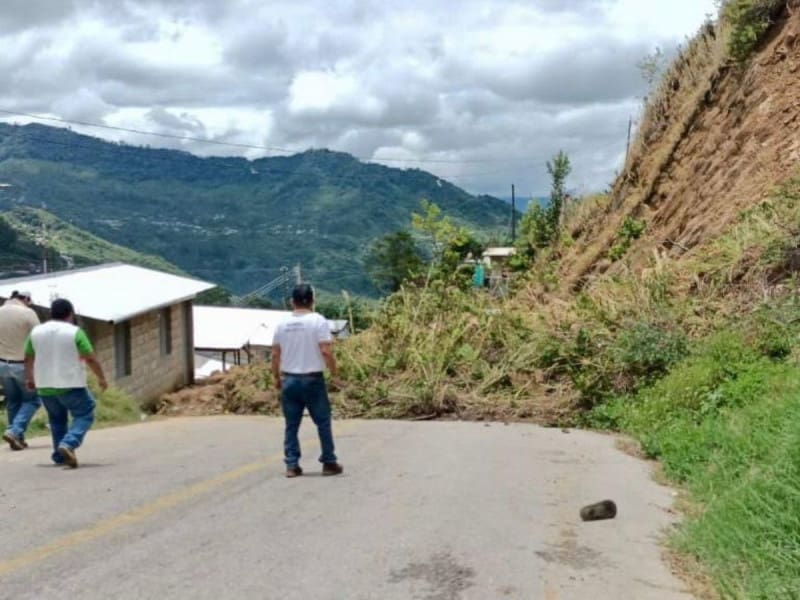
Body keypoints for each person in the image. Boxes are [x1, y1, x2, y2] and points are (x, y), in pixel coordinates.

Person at [24, 298, 108, 468]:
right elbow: (90, 358)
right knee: (86, 412)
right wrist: (101, 378)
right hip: (71, 384)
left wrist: (30, 378)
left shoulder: (36, 332)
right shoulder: (75, 332)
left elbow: (28, 357)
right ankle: (69, 443)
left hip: (45, 385)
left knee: (57, 420)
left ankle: (60, 456)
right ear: (70, 314)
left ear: (51, 313)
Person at [271, 284, 343, 478]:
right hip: (313, 380)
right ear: (312, 300)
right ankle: (329, 462)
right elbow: (326, 351)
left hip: (290, 380)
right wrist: (335, 375)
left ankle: (292, 465)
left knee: (291, 424)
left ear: (292, 302)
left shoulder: (282, 324)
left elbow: (275, 355)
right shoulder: (318, 321)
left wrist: (277, 378)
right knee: (322, 422)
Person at [1, 291, 41, 450]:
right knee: (33, 400)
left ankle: (17, 439)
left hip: (2, 365)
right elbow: (39, 338)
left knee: (13, 401)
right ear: (25, 299)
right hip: (22, 365)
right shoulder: (28, 313)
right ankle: (14, 431)